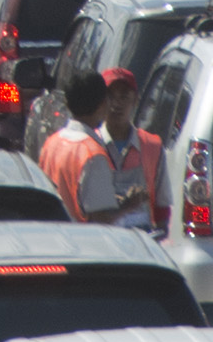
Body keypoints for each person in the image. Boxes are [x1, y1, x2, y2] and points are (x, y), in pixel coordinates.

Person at [39, 66, 161, 227]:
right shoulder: (92, 154)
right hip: (84, 245)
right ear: (103, 104)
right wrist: (128, 206)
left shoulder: (51, 144)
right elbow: (100, 220)